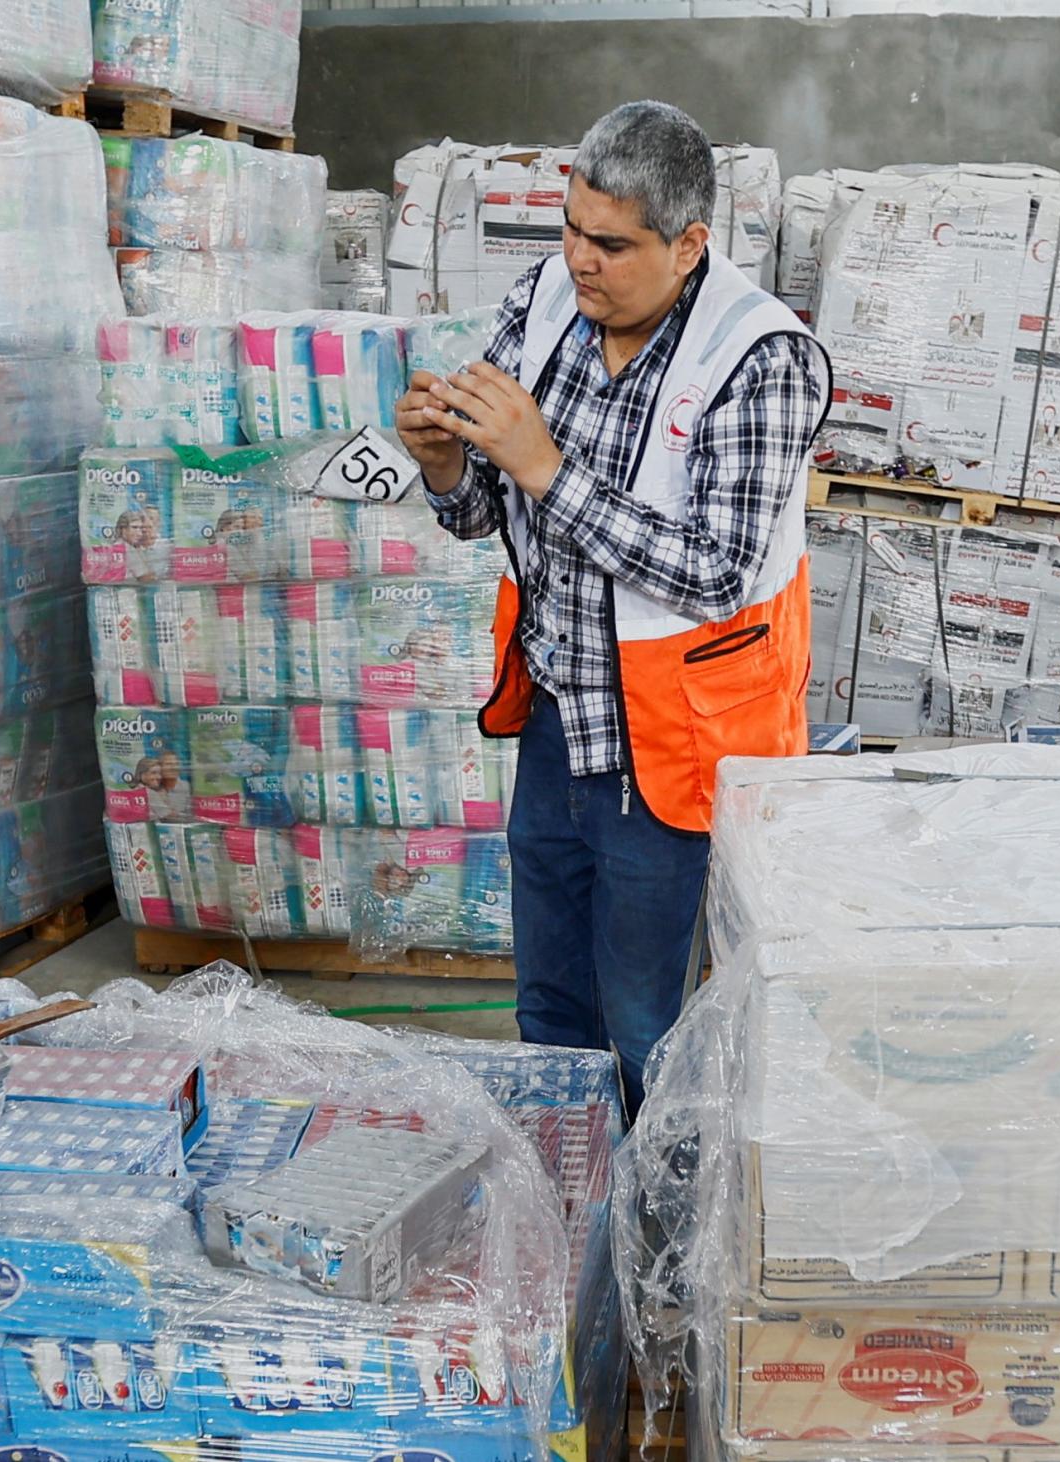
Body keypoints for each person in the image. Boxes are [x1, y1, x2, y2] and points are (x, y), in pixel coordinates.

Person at [397, 100, 830, 1107]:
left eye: (610, 243)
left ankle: (661, 1245)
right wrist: (447, 462)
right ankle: (569, 1214)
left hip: (674, 749)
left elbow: (716, 570)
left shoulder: (760, 357)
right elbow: (478, 518)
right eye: (568, 227)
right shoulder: (544, 301)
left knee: (650, 1031)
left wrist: (546, 467)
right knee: (550, 1013)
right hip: (559, 727)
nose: (578, 260)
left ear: (687, 245)